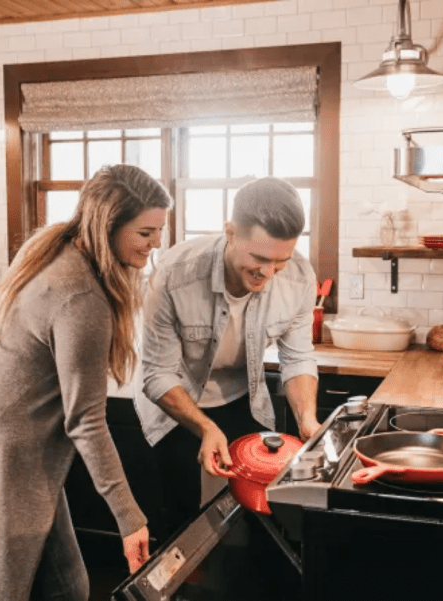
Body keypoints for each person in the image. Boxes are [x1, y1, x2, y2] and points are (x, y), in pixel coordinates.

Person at [0, 164, 172, 601]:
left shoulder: (53, 247)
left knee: (64, 583)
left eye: (159, 232)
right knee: (2, 587)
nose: (155, 244)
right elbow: (87, 423)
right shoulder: (82, 296)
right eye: (146, 232)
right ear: (107, 224)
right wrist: (131, 519)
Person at [135, 176, 321, 538]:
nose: (268, 274)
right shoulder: (175, 274)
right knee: (182, 522)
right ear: (230, 232)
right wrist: (205, 428)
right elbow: (157, 373)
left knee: (256, 516)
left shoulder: (299, 277)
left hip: (243, 400)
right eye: (259, 258)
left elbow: (297, 358)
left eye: (279, 262)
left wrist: (308, 419)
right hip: (176, 405)